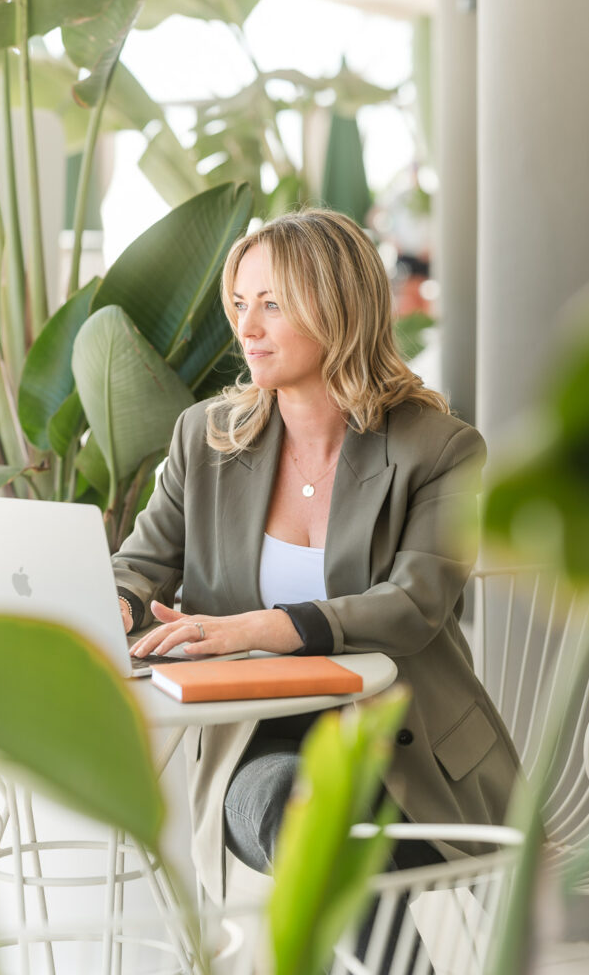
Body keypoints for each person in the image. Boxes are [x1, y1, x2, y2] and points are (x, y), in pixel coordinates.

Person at [112, 208, 519, 910]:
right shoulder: (203, 440)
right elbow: (142, 562)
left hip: (402, 749)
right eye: (240, 303)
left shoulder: (439, 449)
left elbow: (415, 604)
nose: (246, 327)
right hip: (258, 748)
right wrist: (113, 601)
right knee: (306, 821)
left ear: (337, 307)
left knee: (336, 840)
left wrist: (255, 627)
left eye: (272, 303)